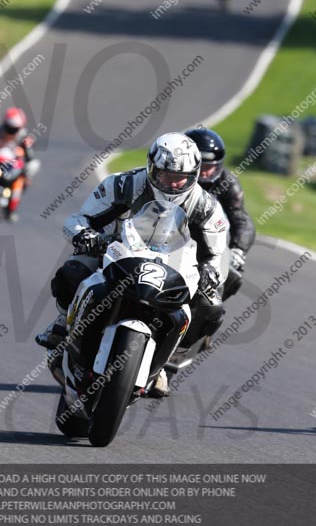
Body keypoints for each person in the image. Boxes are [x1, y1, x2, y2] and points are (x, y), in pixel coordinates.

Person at [36, 132, 229, 397]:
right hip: (117, 250)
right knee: (74, 269)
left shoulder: (205, 205)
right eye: (165, 176)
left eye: (180, 178)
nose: (173, 185)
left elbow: (216, 252)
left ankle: (168, 360)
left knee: (212, 306)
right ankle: (61, 323)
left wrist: (210, 271)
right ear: (152, 168)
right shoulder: (123, 185)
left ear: (194, 175)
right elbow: (78, 219)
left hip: (175, 264)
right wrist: (86, 235)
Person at [185, 127, 256, 302]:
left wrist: (238, 250)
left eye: (211, 167)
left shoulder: (227, 182)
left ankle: (201, 324)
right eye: (202, 165)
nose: (205, 172)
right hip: (163, 238)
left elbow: (241, 220)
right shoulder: (171, 177)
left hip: (204, 243)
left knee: (232, 277)